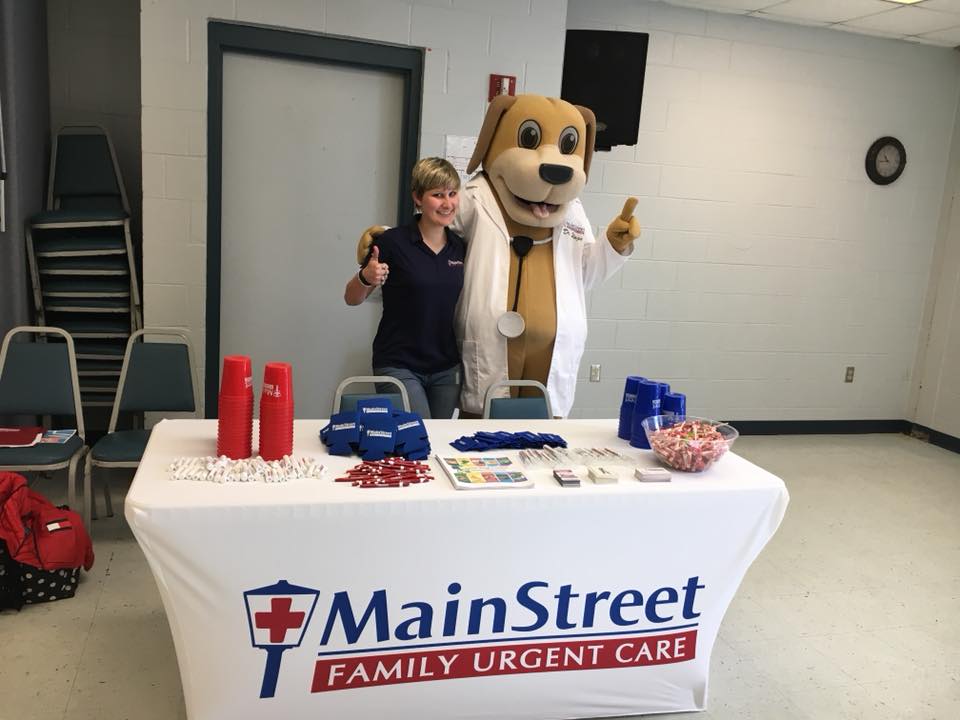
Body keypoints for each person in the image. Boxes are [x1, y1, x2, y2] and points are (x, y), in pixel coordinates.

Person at [344, 157, 465, 419]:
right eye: (437, 195)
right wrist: (366, 276)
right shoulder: (392, 242)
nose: (447, 203)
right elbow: (351, 298)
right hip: (399, 364)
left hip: (446, 367)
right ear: (418, 198)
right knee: (417, 435)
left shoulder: (460, 247)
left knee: (439, 442)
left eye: (452, 194)